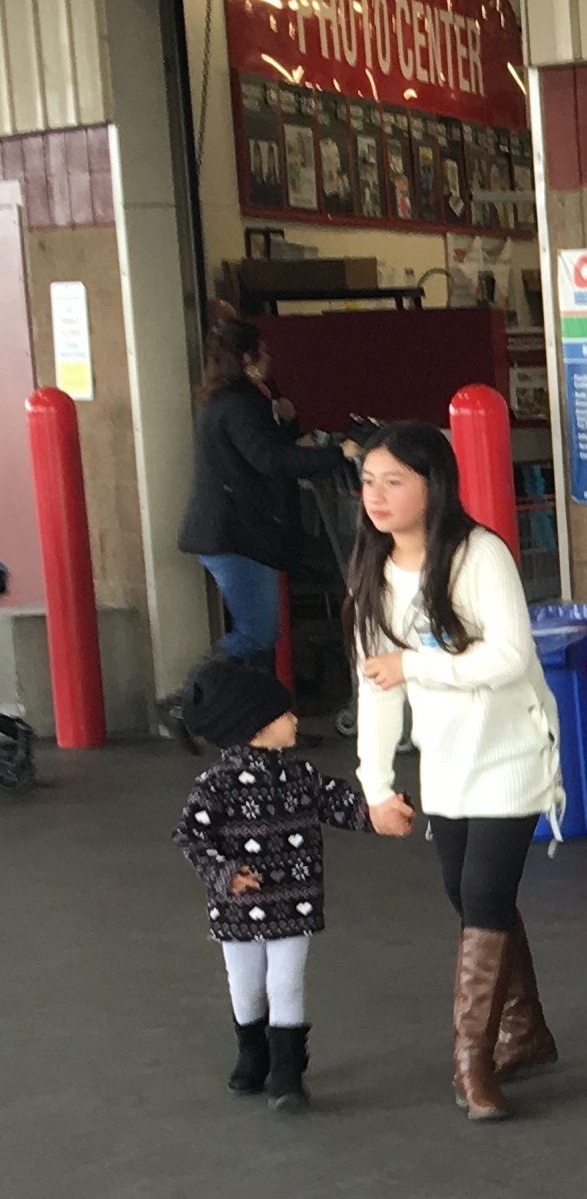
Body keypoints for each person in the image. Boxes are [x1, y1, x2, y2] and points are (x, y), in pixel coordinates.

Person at [346, 422, 562, 1122]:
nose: (377, 496)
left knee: (484, 892)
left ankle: (473, 1064)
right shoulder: (373, 572)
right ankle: (525, 1030)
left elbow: (509, 657)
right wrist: (376, 785)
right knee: (467, 897)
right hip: (445, 760)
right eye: (368, 481)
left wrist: (414, 664)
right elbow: (375, 687)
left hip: (512, 750)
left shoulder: (479, 554)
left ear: (433, 485)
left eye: (394, 481)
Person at [171, 654, 372, 1111]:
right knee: (245, 985)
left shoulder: (300, 776)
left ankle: (287, 1072)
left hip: (294, 902)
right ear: (254, 728)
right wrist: (224, 873)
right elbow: (190, 835)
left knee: (286, 983)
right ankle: (253, 1054)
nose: (295, 719)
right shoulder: (215, 786)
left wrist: (377, 813)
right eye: (284, 714)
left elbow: (339, 803)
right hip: (236, 908)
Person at [173, 311, 346, 672]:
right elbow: (270, 459)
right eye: (262, 352)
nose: (269, 358)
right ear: (247, 359)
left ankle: (242, 699)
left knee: (260, 632)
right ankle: (196, 688)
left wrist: (288, 422)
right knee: (258, 632)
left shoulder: (226, 400)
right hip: (237, 535)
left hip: (229, 531)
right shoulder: (240, 404)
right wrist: (337, 455)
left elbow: (263, 448)